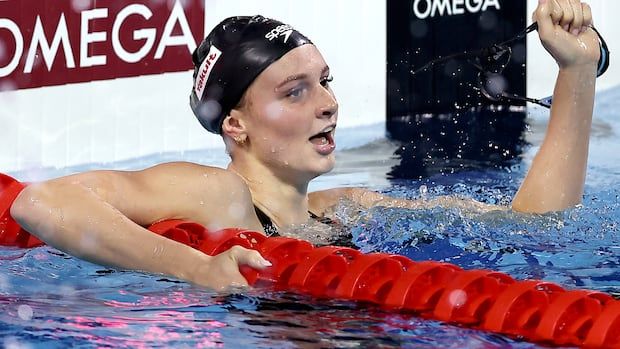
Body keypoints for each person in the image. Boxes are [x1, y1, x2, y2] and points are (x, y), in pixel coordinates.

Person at [10, 0, 600, 290]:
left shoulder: (347, 208)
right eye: (295, 92)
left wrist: (574, 73)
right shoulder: (221, 195)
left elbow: (538, 226)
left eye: (325, 82)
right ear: (235, 125)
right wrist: (197, 268)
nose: (327, 103)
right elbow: (38, 202)